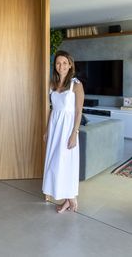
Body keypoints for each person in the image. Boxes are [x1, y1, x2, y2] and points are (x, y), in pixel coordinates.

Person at [42, 50, 84, 213]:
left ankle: (71, 198)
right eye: (58, 63)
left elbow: (79, 111)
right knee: (55, 163)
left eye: (65, 63)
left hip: (68, 129)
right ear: (55, 66)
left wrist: (75, 133)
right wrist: (47, 129)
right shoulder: (53, 84)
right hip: (54, 127)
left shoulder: (76, 84)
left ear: (70, 64)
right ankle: (67, 199)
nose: (61, 66)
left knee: (65, 163)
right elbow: (53, 110)